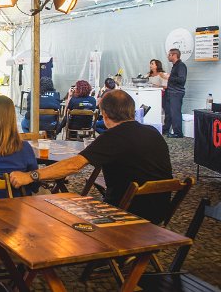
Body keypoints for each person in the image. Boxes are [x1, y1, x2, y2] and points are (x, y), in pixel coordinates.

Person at [10, 90, 173, 224]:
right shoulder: (153, 132)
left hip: (125, 213)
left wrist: (31, 176)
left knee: (57, 211)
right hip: (160, 210)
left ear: (105, 114)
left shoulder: (113, 137)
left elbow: (73, 165)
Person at [163, 48, 187, 138]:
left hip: (176, 93)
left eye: (169, 55)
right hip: (171, 92)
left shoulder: (181, 66)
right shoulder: (175, 66)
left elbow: (182, 79)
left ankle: (178, 133)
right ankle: (166, 129)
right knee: (169, 112)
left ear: (174, 55)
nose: (168, 56)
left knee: (175, 113)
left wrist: (169, 77)